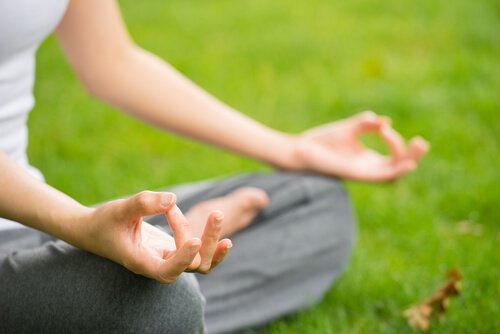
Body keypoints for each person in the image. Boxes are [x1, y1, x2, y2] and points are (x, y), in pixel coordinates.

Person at [0, 0, 429, 333]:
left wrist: (291, 151)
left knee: (315, 201)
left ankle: (154, 279)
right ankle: (158, 292)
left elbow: (111, 60)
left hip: (32, 217)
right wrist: (79, 225)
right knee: (169, 306)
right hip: (48, 220)